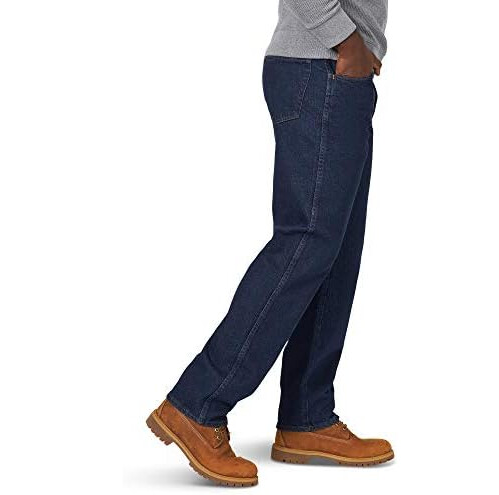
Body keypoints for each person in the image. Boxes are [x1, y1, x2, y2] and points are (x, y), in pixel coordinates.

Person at [146, 0, 391, 486]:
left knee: (334, 252)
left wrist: (360, 47)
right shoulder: (333, 50)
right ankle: (196, 404)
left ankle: (307, 416)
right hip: (323, 66)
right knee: (306, 244)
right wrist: (346, 40)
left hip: (336, 71)